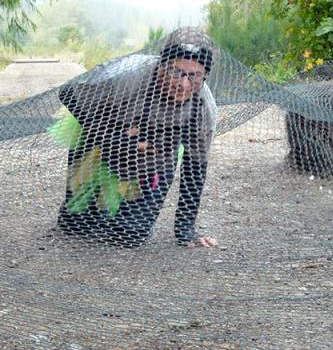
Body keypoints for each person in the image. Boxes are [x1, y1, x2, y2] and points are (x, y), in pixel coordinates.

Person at [52, 28, 219, 248]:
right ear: (162, 64)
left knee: (128, 237)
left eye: (195, 76)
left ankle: (131, 218)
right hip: (99, 147)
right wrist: (116, 139)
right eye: (176, 72)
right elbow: (68, 93)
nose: (184, 84)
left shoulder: (204, 108)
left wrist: (185, 229)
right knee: (76, 227)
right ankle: (91, 209)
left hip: (151, 163)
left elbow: (194, 166)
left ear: (204, 75)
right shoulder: (128, 75)